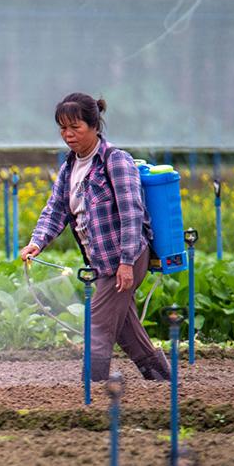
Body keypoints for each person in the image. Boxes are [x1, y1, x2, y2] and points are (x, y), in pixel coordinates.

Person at [19, 93, 170, 382]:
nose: (68, 134)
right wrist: (37, 242)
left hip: (126, 257)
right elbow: (56, 210)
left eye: (75, 127)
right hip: (101, 261)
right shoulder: (69, 167)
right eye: (63, 128)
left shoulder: (116, 161)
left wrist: (126, 263)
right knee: (126, 328)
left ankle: (92, 388)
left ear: (94, 126)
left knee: (97, 326)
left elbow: (132, 214)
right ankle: (161, 378)